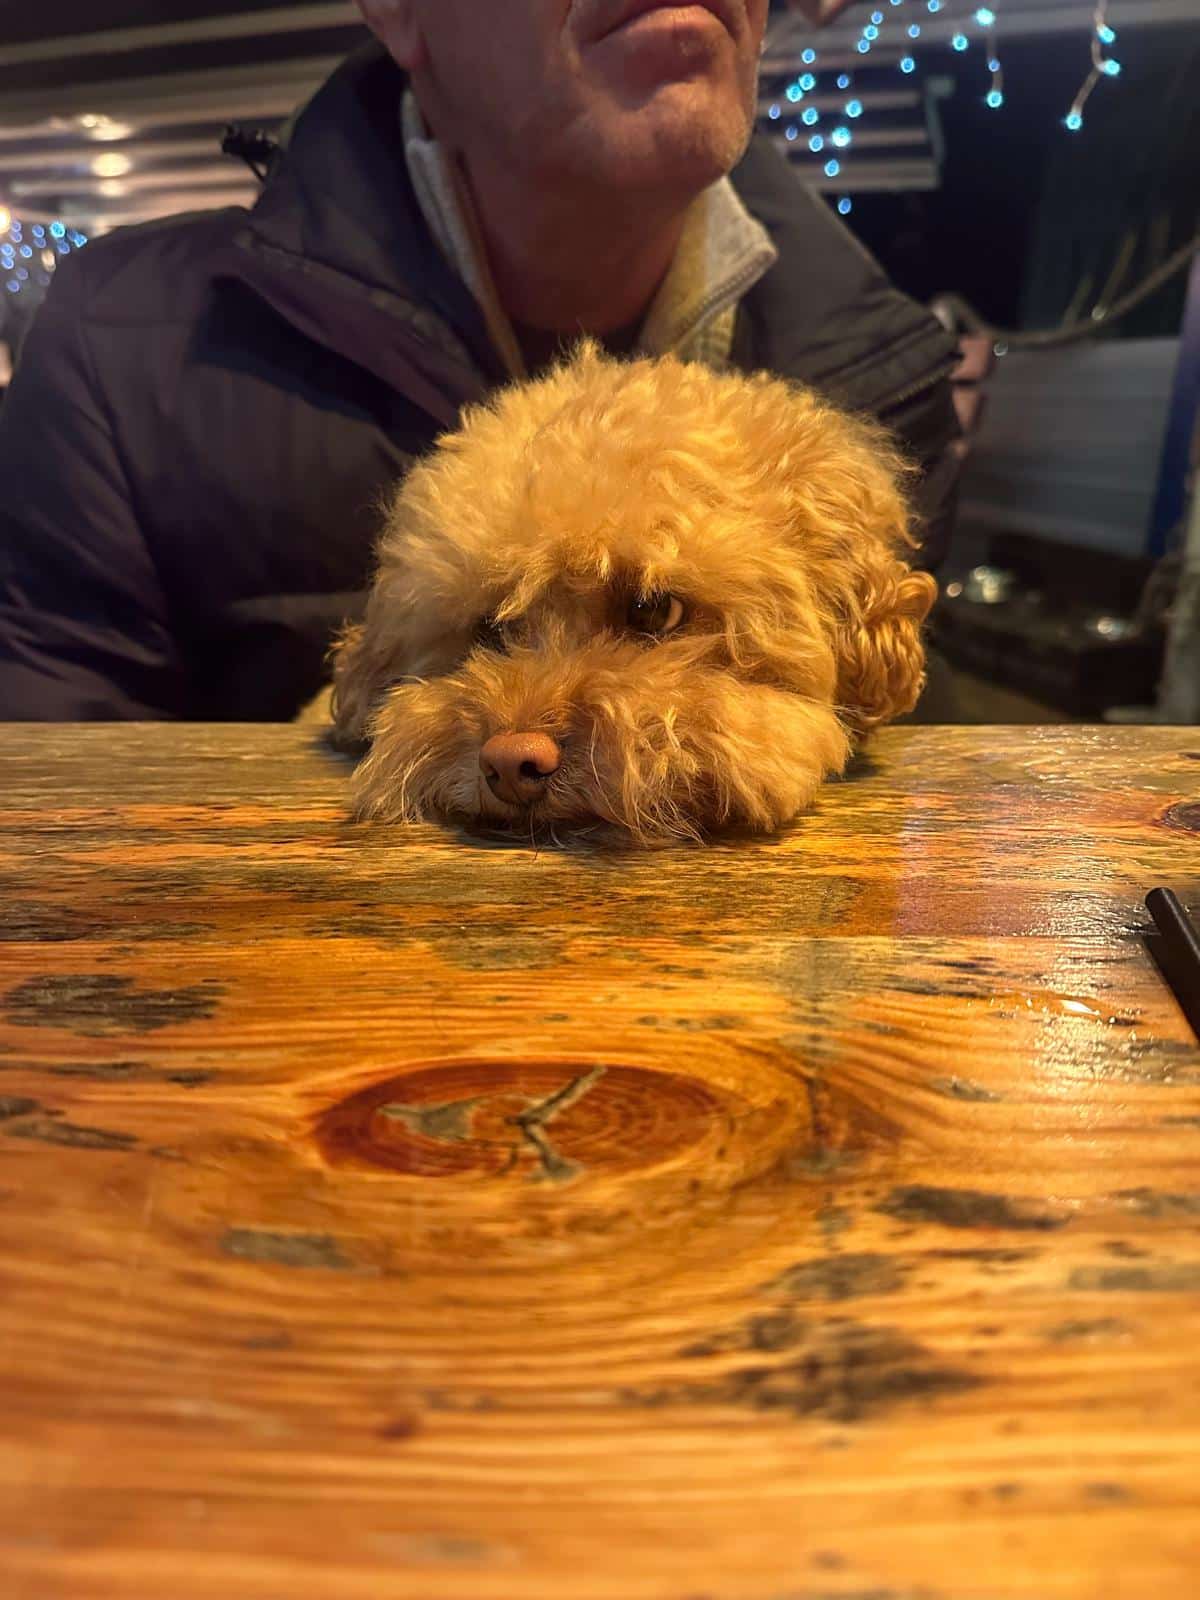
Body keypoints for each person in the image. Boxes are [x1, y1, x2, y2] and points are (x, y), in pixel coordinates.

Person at [0, 0, 961, 721]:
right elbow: (55, 832)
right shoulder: (117, 342)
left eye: (651, 614)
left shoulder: (883, 377)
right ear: (397, 9)